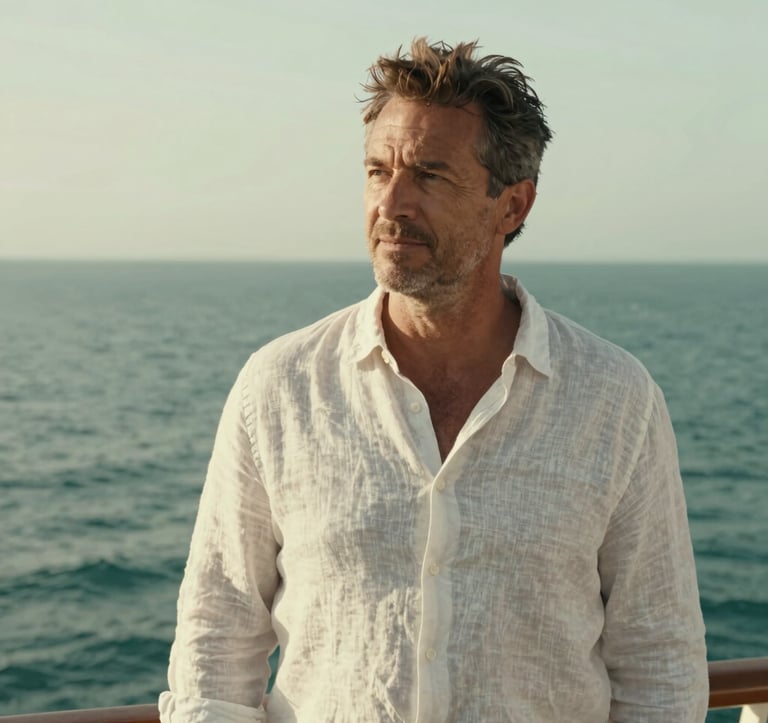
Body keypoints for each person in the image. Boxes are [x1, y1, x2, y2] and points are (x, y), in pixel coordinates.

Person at [159, 38, 708, 722]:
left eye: (428, 175)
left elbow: (660, 661)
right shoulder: (279, 387)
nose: (390, 203)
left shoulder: (615, 399)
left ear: (512, 205)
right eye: (376, 170)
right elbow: (216, 640)